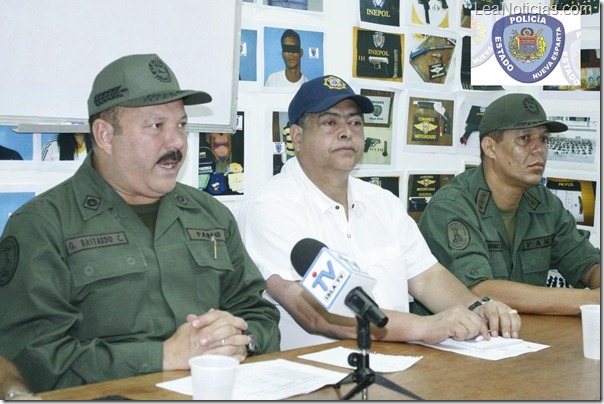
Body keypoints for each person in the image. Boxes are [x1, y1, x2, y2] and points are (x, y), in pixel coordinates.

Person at [0, 53, 280, 392]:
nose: (177, 142)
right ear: (104, 135)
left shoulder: (211, 214)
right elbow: (34, 358)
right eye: (156, 126)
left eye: (181, 125)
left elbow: (258, 313)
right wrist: (161, 356)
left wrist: (240, 338)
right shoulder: (43, 225)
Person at [238, 75, 521, 350]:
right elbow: (312, 313)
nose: (346, 131)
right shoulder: (273, 206)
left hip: (400, 365)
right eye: (329, 122)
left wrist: (476, 308)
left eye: (355, 122)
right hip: (316, 379)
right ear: (297, 137)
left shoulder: (383, 202)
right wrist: (426, 326)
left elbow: (426, 277)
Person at [416, 93, 600, 316]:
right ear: (490, 148)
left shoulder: (544, 202)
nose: (539, 149)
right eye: (524, 139)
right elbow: (479, 289)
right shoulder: (452, 206)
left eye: (543, 139)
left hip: (525, 337)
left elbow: (587, 263)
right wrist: (590, 300)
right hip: (454, 342)